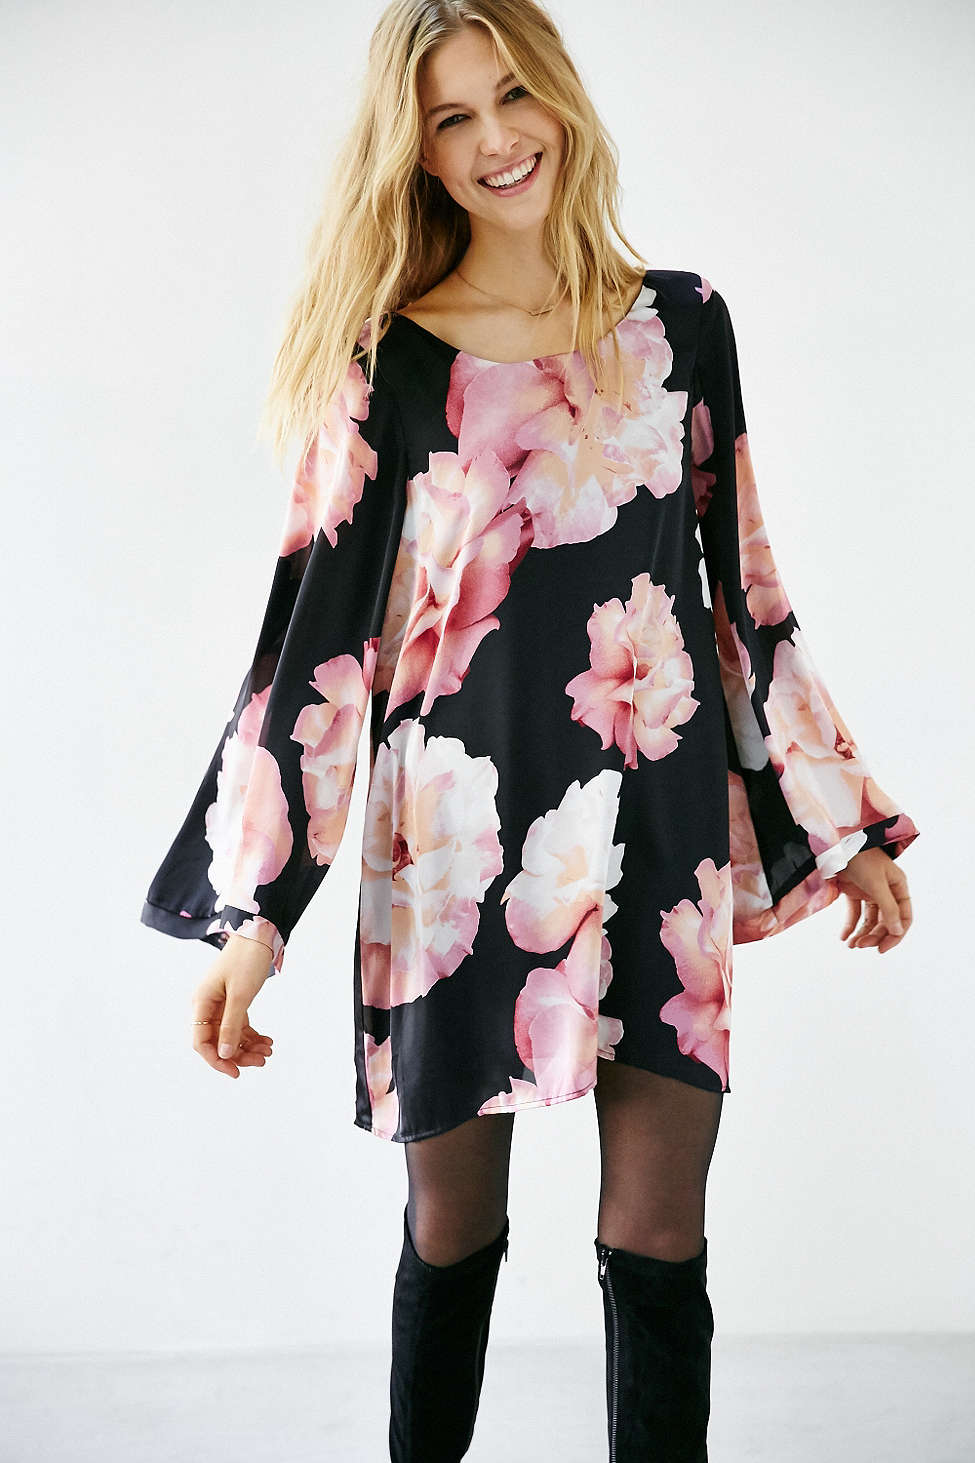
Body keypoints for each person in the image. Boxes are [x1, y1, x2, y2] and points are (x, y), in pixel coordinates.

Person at [139, 2, 920, 1458]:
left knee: (662, 1230)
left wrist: (843, 822)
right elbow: (316, 648)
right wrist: (256, 921)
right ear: (417, 153)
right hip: (451, 844)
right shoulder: (389, 362)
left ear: (558, 94)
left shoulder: (684, 324)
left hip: (658, 830)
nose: (498, 138)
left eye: (512, 96)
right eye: (452, 117)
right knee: (452, 1228)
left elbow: (743, 592)